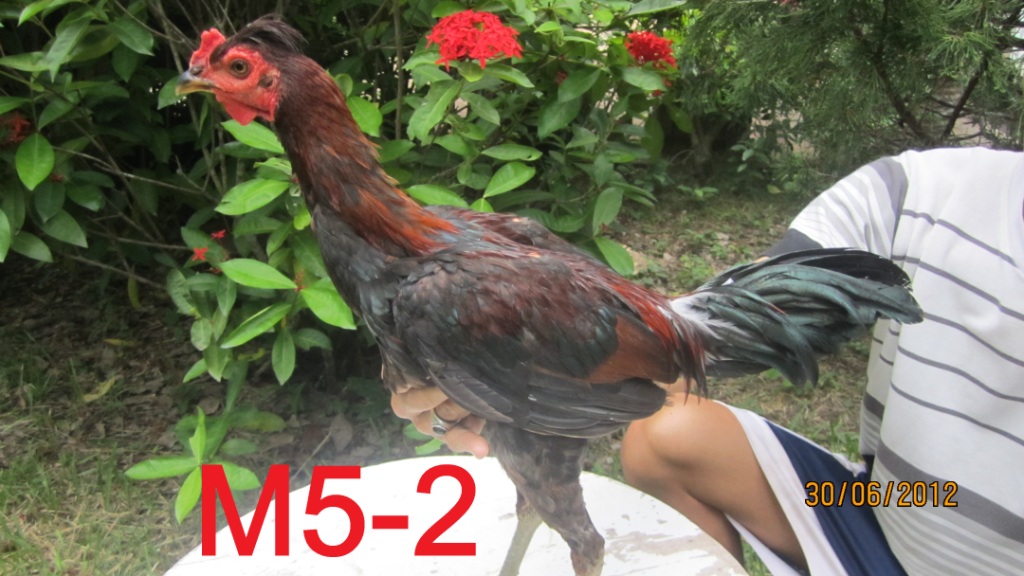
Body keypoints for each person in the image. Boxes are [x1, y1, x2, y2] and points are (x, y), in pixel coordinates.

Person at [392, 147, 1024, 575]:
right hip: (891, 502)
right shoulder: (917, 190)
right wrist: (507, 352)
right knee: (665, 436)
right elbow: (731, 317)